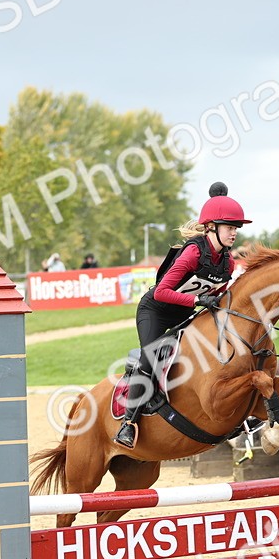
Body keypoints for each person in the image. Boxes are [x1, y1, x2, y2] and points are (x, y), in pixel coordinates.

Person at [113, 181, 250, 449]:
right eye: (230, 228)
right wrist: (199, 300)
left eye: (236, 229)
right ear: (212, 227)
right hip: (157, 311)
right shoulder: (192, 252)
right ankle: (128, 423)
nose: (235, 233)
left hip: (186, 312)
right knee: (150, 357)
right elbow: (162, 291)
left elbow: (219, 293)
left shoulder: (228, 261)